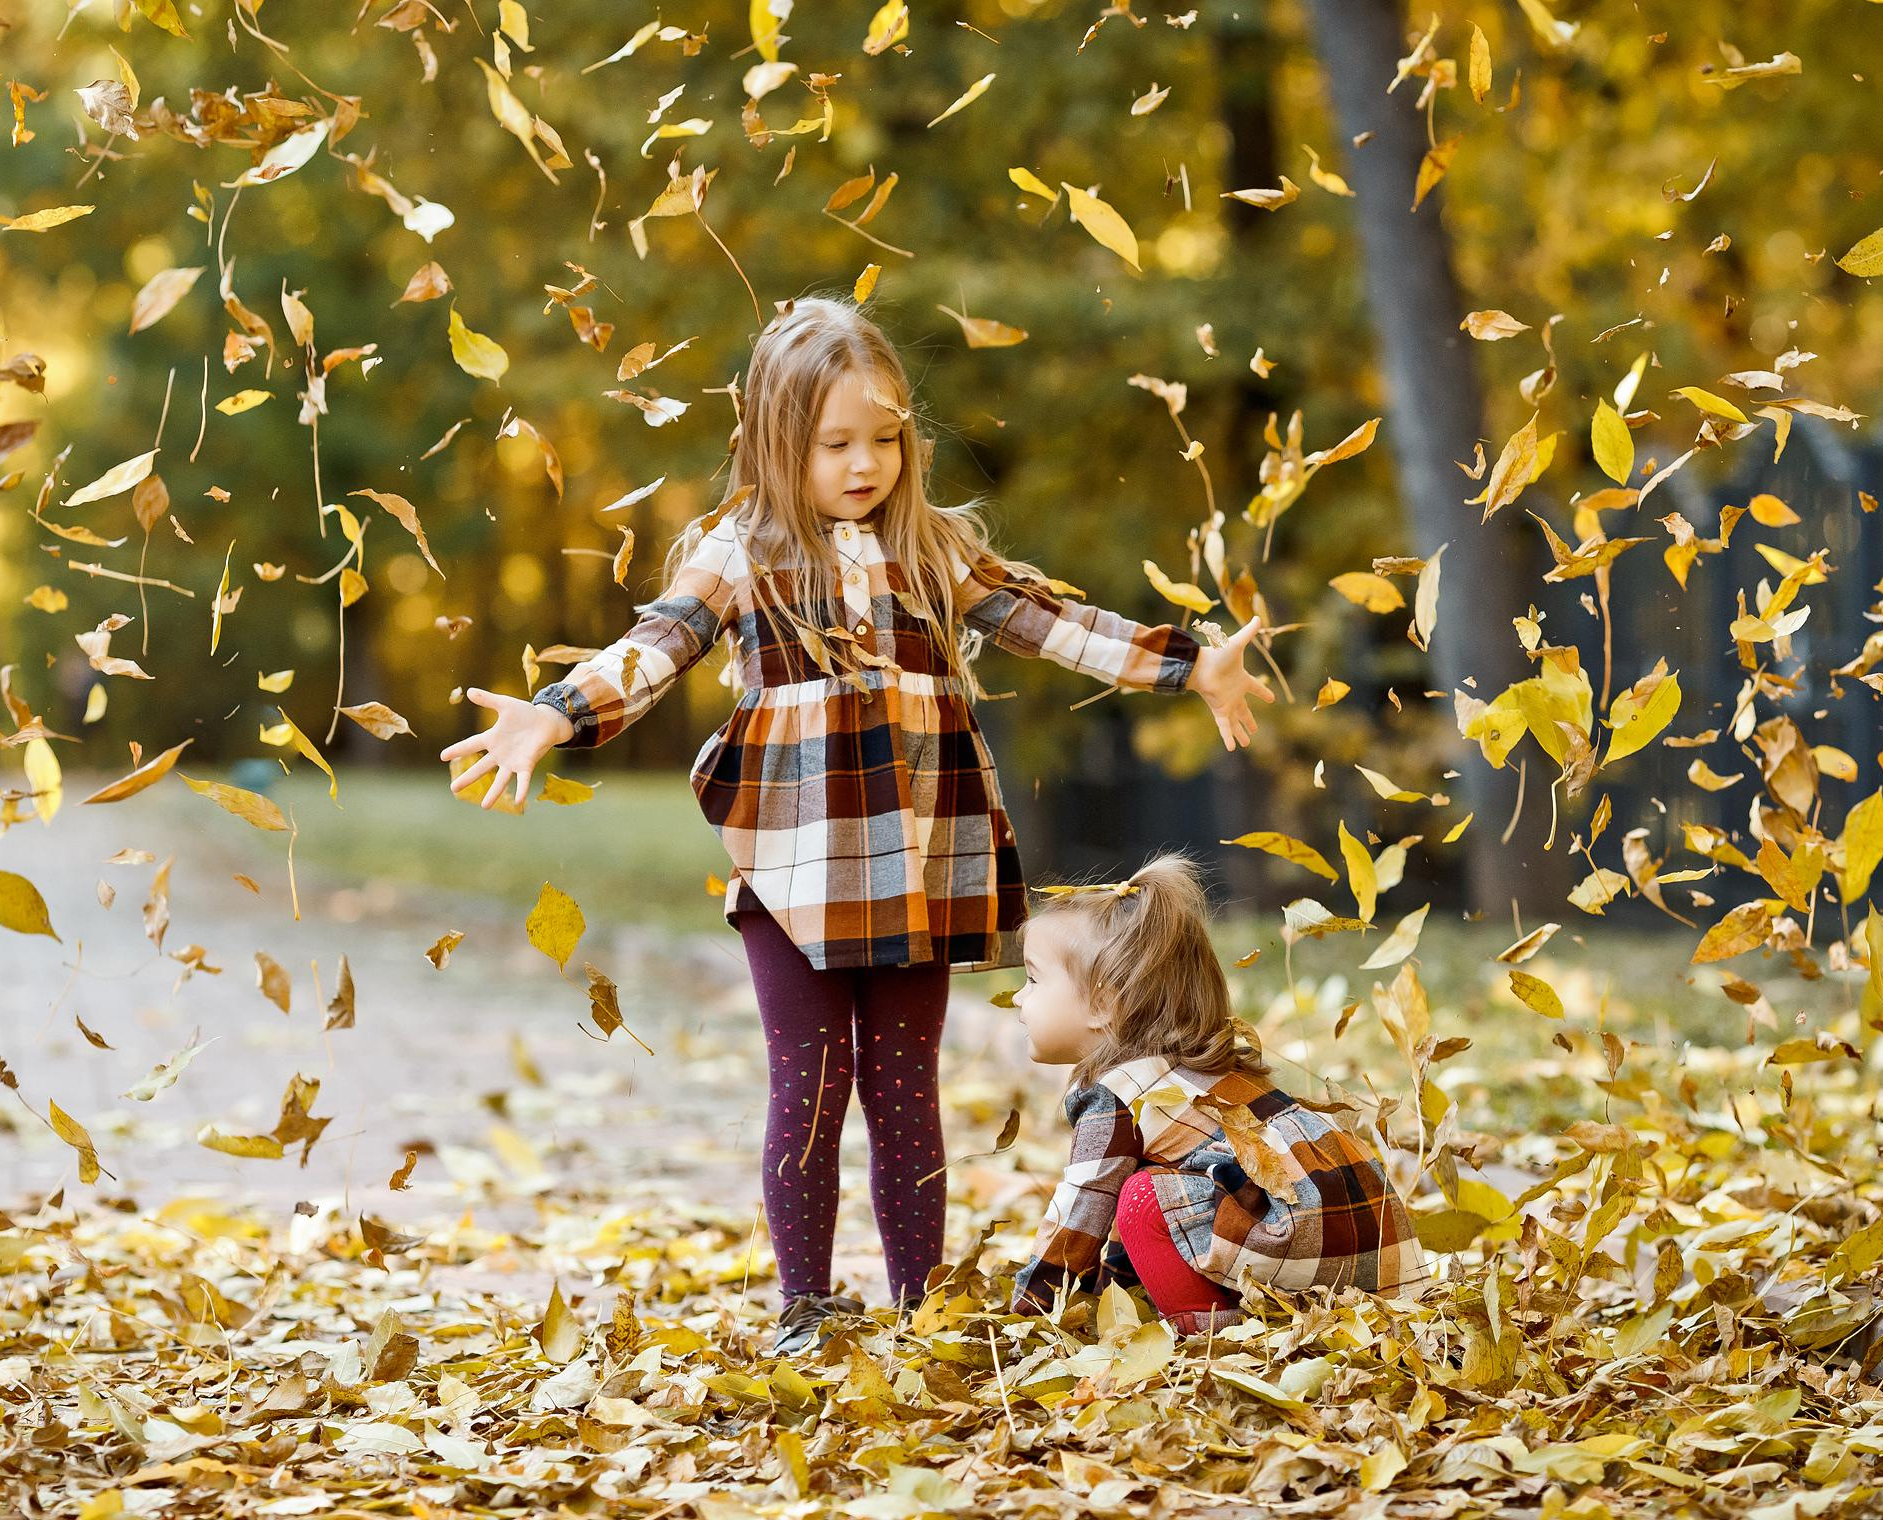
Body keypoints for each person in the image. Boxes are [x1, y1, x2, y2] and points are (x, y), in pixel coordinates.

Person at [439, 294, 1275, 1357]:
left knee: (903, 1089)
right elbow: (653, 647)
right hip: (793, 875)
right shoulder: (741, 554)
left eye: (884, 437)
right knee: (811, 1082)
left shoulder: (935, 549)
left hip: (920, 870)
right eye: (836, 442)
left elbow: (1053, 621)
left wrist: (1188, 661)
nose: (864, 462)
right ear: (783, 442)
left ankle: (918, 1299)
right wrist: (557, 714)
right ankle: (805, 1304)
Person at [1007, 852, 1426, 1335]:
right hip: (1370, 1249)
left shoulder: (1118, 1095)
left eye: (1033, 979)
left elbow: (1080, 1211)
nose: (1019, 997)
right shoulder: (1196, 1072)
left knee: (1144, 1198)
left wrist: (1032, 1307)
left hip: (1301, 1234)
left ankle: (1209, 1336)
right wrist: (1107, 1294)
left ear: (1102, 1004)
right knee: (1151, 1188)